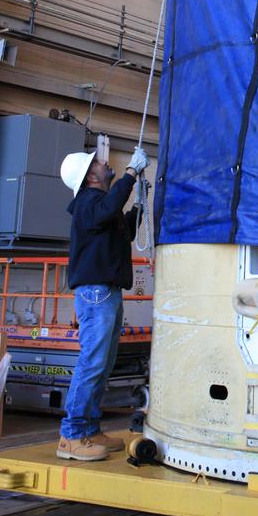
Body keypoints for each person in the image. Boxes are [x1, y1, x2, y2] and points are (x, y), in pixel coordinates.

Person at [56, 144, 150, 461]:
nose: (104, 162)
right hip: (96, 292)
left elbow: (121, 228)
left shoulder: (99, 206)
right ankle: (72, 435)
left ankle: (90, 430)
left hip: (106, 291)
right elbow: (109, 210)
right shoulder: (87, 202)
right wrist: (131, 173)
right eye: (97, 162)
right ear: (89, 177)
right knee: (93, 362)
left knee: (104, 363)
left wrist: (139, 203)